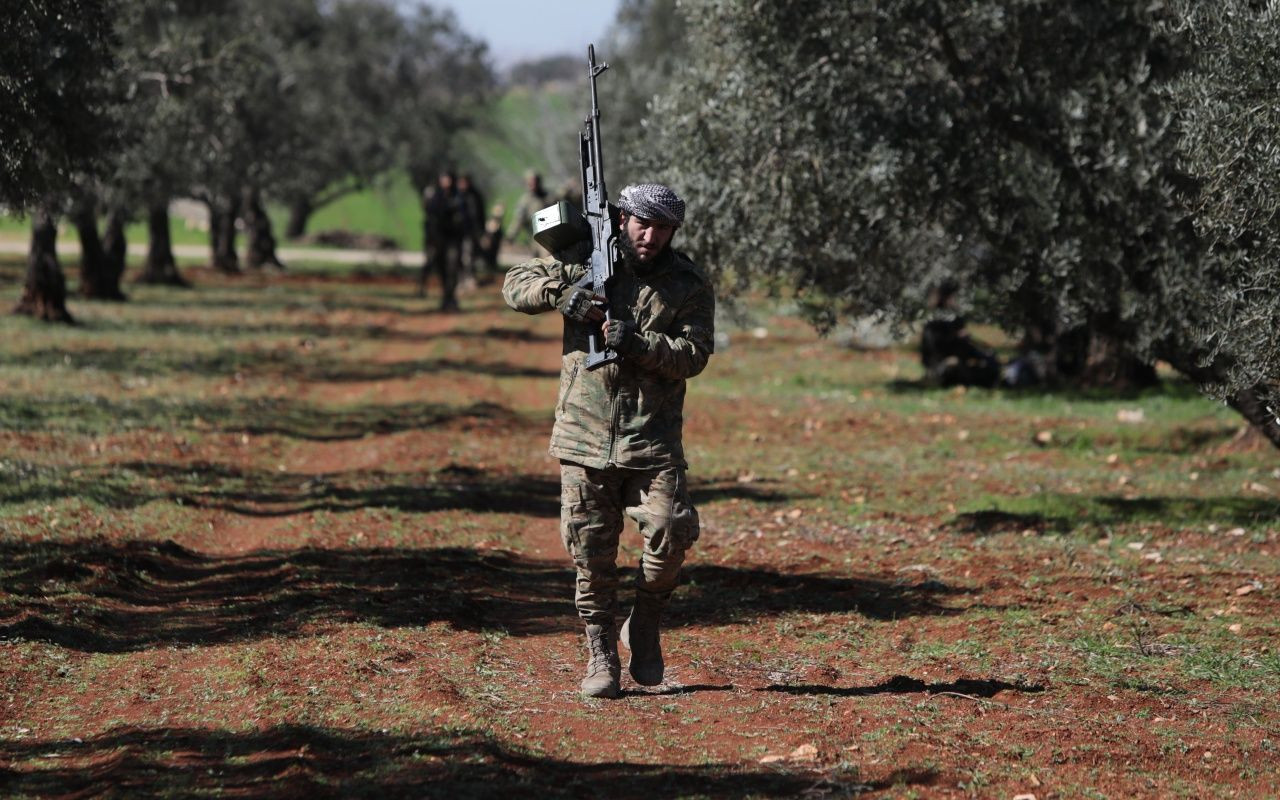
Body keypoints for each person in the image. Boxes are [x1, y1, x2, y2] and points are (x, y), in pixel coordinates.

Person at [502, 183, 714, 698]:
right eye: (643, 224)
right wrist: (563, 294)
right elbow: (515, 284)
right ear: (622, 220)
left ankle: (644, 622)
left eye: (662, 227)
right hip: (583, 435)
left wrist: (639, 344)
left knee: (670, 531)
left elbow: (694, 355)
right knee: (591, 554)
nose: (651, 235)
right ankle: (600, 655)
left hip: (652, 438)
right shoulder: (584, 258)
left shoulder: (686, 283)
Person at [919, 279, 1000, 387]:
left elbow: (966, 345)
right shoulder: (933, 322)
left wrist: (983, 354)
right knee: (954, 365)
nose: (955, 300)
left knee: (988, 360)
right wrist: (954, 339)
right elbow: (931, 350)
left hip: (959, 363)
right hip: (940, 367)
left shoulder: (956, 319)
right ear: (945, 298)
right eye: (952, 297)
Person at [421, 171, 465, 311]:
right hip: (438, 240)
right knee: (441, 270)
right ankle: (445, 297)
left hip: (453, 239)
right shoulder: (435, 197)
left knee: (452, 268)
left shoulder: (458, 198)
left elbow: (463, 218)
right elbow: (430, 216)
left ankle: (451, 298)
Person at [505, 170, 550, 251]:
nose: (533, 184)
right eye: (531, 182)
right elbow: (518, 220)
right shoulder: (525, 201)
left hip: (551, 234)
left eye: (535, 181)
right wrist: (510, 236)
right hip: (536, 238)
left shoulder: (548, 197)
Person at [456, 172, 487, 286]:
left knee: (469, 256)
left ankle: (470, 278)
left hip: (471, 231)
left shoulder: (475, 196)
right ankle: (461, 278)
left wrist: (481, 231)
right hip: (458, 232)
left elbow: (480, 215)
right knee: (458, 257)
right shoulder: (456, 196)